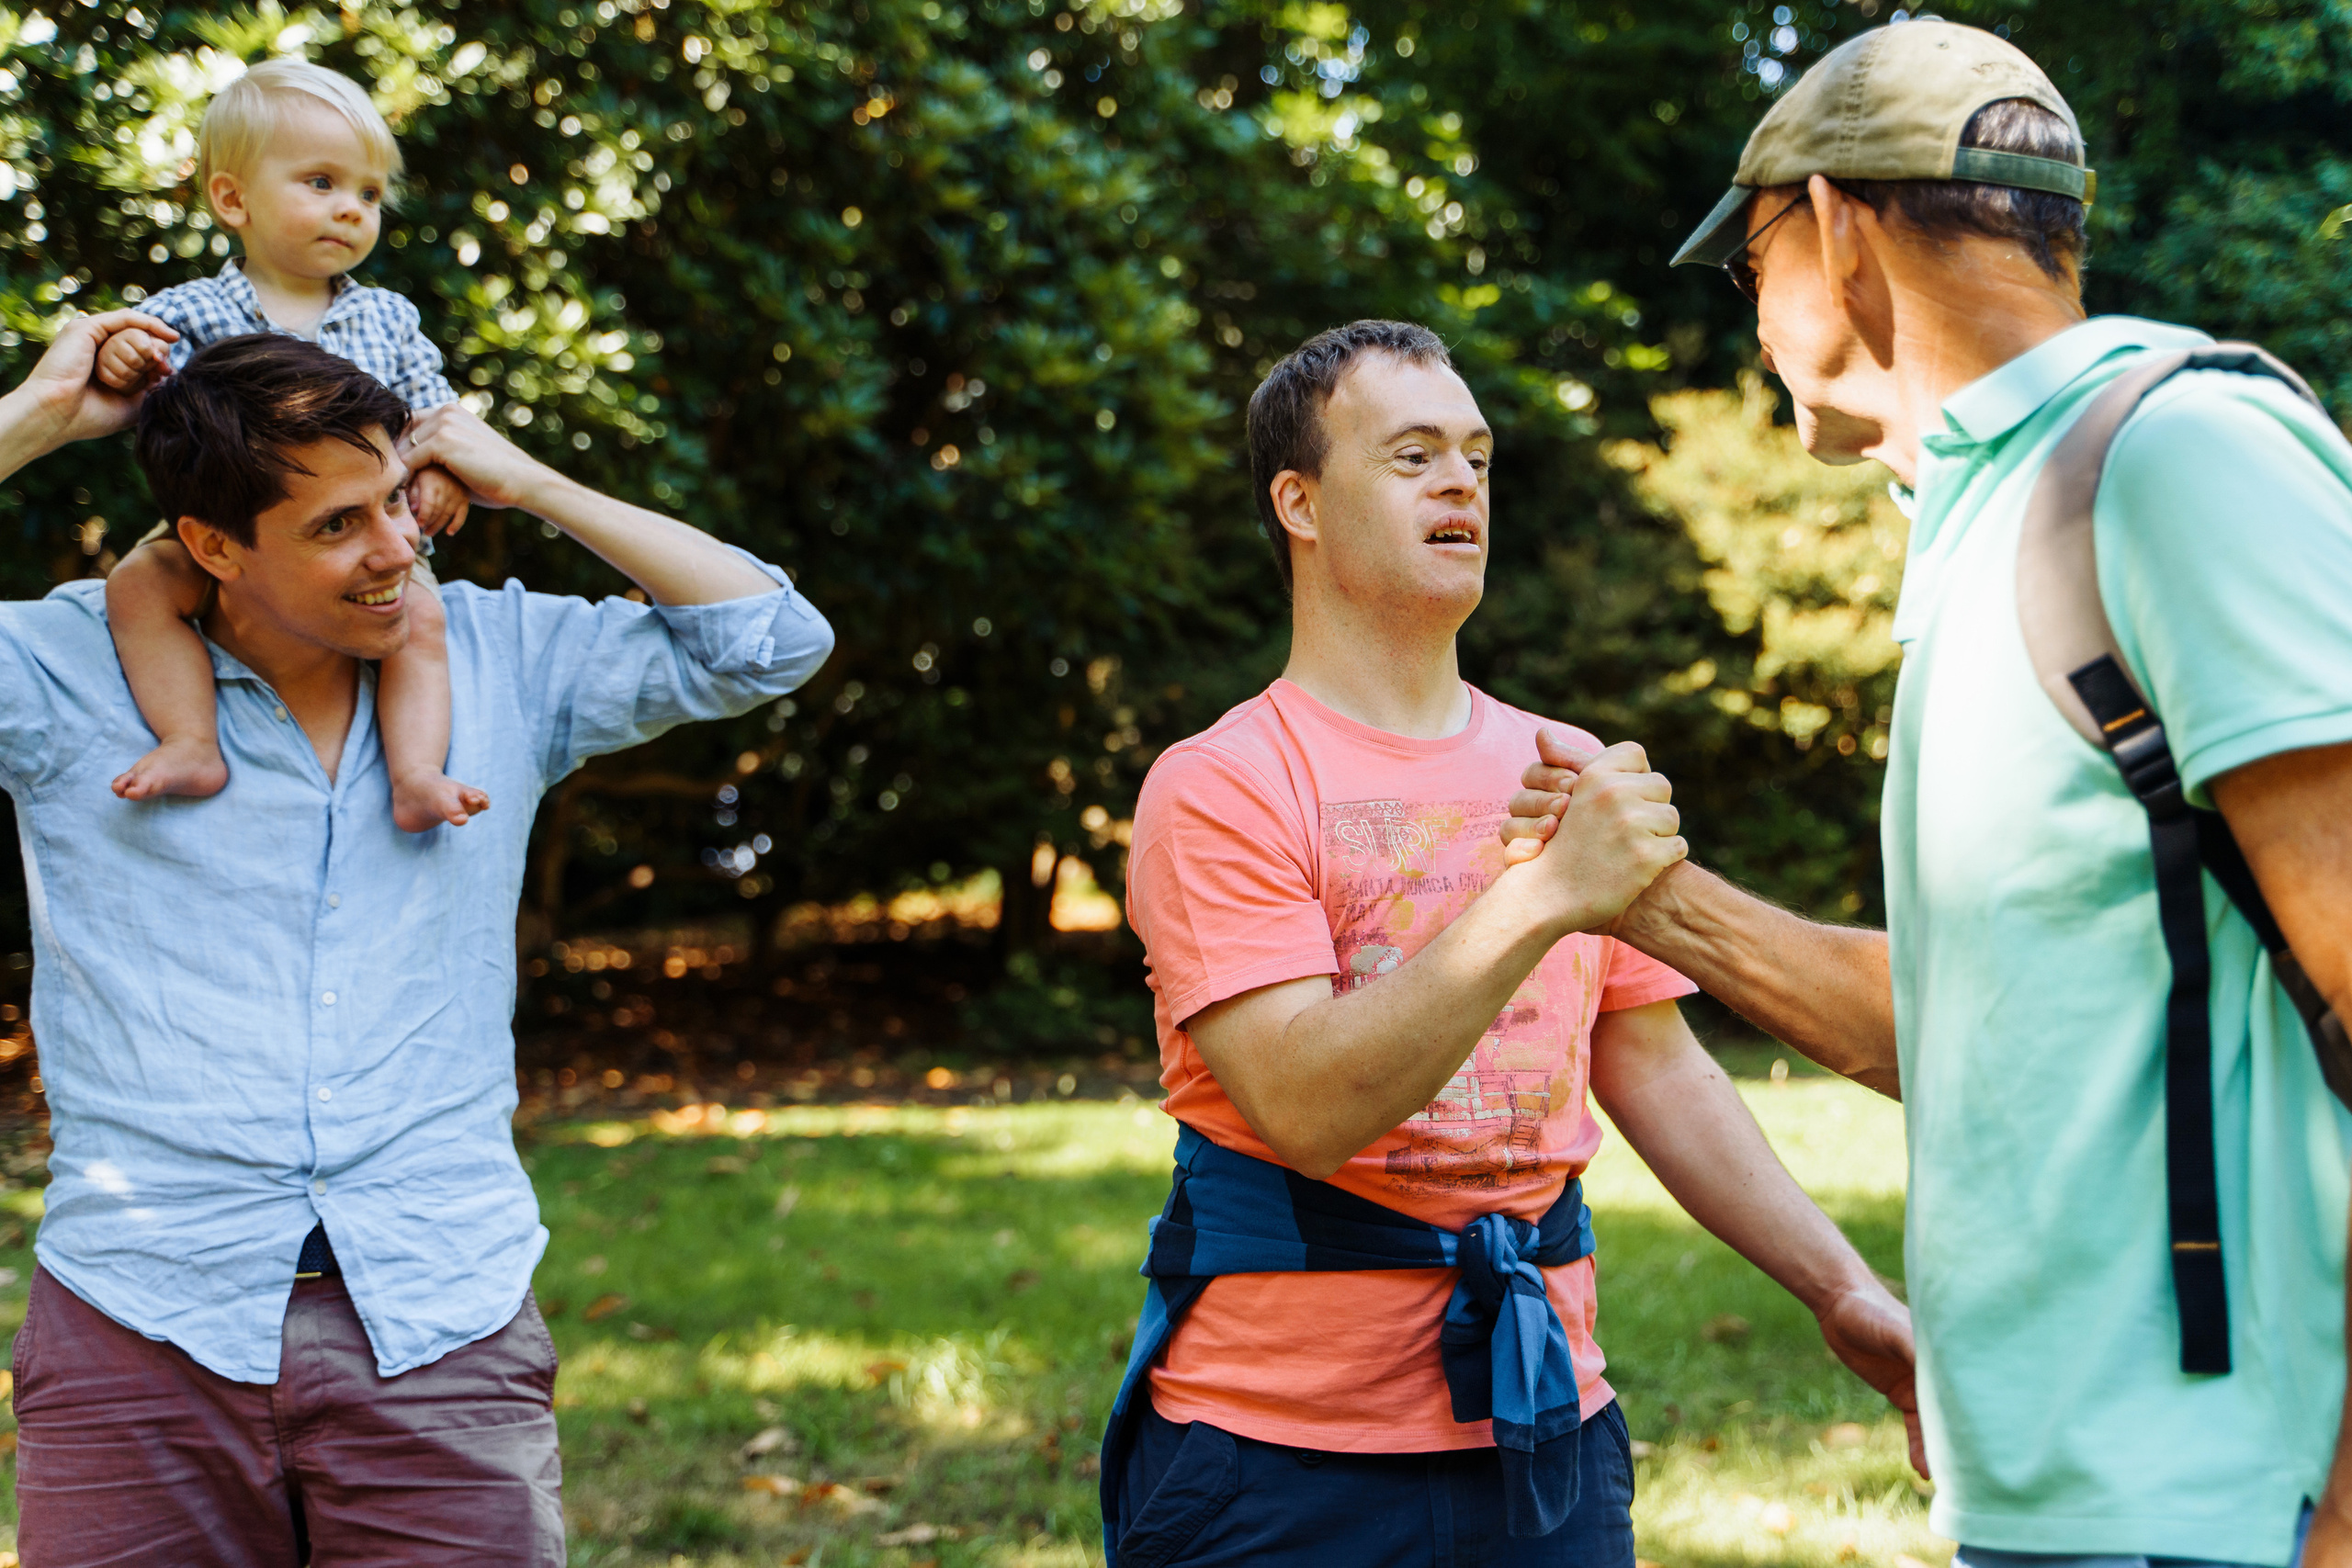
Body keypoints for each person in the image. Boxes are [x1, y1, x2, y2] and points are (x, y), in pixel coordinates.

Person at [1503, 19, 2348, 1566]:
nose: (1753, 324)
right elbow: (1979, 1023)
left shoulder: (2177, 457)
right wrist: (1656, 899)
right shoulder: (1981, 523)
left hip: (2241, 1505)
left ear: (1833, 226)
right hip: (2049, 1496)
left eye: (1749, 266)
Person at [0, 315, 833, 1563]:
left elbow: (771, 636)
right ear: (213, 545)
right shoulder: (61, 671)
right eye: (337, 525)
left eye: (394, 498)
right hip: (141, 1316)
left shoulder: (498, 651)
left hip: (439, 1310)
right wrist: (40, 412)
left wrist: (527, 481)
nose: (395, 548)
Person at [1099, 320, 1919, 1568]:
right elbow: (1310, 1105)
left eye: (1478, 458)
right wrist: (1542, 893)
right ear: (1299, 502)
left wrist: (1841, 1287)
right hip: (1270, 1462)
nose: (1462, 485)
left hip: (1547, 1436)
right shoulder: (1221, 783)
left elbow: (1657, 1063)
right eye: (1414, 454)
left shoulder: (1563, 762)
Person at [95, 57, 482, 831]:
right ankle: (191, 738)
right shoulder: (191, 308)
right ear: (232, 199)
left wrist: (440, 467)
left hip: (368, 530)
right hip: (222, 526)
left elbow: (435, 410)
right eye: (321, 183)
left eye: (368, 194)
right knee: (138, 587)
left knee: (423, 626)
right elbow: (128, 365)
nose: (350, 210)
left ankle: (414, 774)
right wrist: (119, 358)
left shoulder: (388, 318)